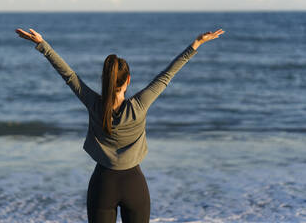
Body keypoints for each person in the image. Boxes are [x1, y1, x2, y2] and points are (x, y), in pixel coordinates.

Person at [15, 27, 224, 223]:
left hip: (102, 185)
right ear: (128, 80)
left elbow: (69, 76)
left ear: (105, 81)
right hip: (134, 185)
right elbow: (167, 75)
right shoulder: (140, 105)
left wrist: (43, 45)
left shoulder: (94, 104)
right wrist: (197, 43)